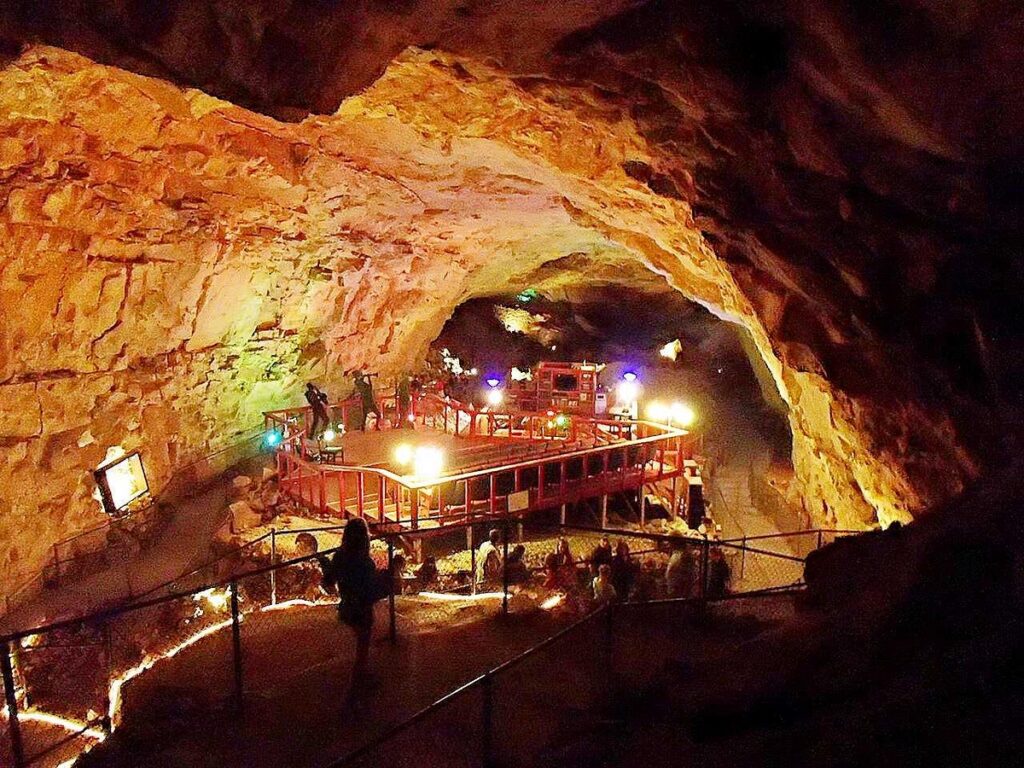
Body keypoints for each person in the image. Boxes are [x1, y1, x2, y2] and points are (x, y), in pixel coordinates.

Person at [322, 518, 380, 684]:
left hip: (347, 604)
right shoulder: (365, 562)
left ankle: (359, 675)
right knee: (363, 643)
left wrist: (325, 564)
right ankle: (358, 679)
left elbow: (329, 581)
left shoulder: (340, 556)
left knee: (360, 641)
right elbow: (369, 588)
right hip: (361, 607)